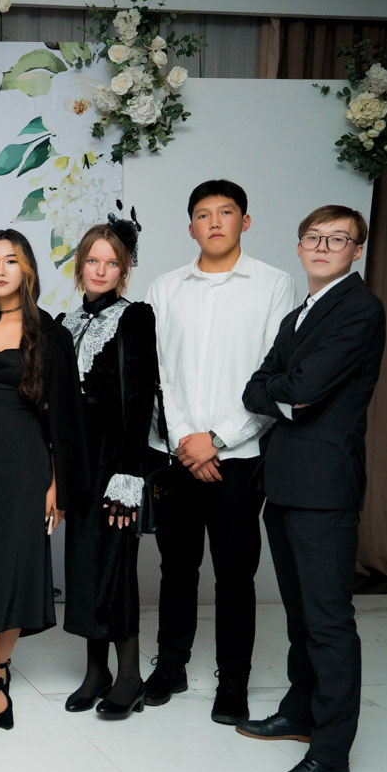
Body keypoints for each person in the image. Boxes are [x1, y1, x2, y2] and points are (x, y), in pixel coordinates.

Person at [238, 206, 384, 772]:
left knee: (328, 622)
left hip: (325, 486)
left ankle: (331, 754)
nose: (323, 247)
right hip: (285, 481)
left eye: (337, 239)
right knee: (299, 614)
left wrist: (283, 393)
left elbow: (299, 388)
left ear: (357, 250)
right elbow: (257, 389)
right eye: (313, 238)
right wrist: (284, 395)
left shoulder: (360, 310)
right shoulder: (299, 313)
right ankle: (300, 710)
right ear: (299, 247)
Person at [142, 180, 297, 726]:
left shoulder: (274, 285)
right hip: (176, 454)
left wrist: (220, 439)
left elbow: (274, 373)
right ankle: (171, 665)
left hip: (241, 455)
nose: (214, 222)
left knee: (234, 573)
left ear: (244, 222)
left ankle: (233, 680)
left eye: (225, 212)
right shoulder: (165, 288)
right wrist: (188, 440)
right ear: (190, 228)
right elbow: (157, 374)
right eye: (203, 215)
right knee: (176, 567)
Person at [0, 229, 87, 745]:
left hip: (27, 465)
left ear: (27, 269)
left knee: (13, 572)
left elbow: (62, 415)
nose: (0, 270)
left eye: (11, 261)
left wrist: (56, 483)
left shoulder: (49, 333)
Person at [58, 218, 158, 721]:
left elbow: (139, 400)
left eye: (111, 263)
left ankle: (129, 677)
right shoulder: (65, 322)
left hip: (114, 458)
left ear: (123, 270)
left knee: (115, 564)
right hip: (77, 460)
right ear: (80, 266)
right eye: (93, 261)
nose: (100, 270)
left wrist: (129, 474)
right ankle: (95, 672)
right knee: (83, 564)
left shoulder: (134, 317)